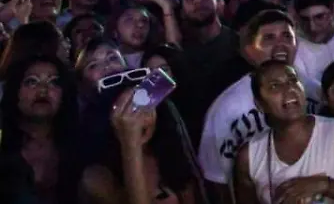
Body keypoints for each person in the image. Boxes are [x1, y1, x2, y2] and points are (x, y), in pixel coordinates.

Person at [197, 10, 321, 197]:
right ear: (249, 50)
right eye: (269, 38)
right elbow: (216, 180)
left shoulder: (315, 91)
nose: (281, 44)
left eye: (287, 36)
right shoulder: (227, 108)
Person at [232, 61, 334, 204]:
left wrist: (325, 186)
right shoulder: (249, 157)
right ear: (260, 104)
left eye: (293, 80)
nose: (289, 89)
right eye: (275, 86)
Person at [80, 84, 204, 204]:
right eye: (130, 111)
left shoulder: (167, 152)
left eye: (143, 108)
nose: (137, 119)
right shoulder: (96, 176)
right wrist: (130, 144)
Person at [0, 55, 80, 204]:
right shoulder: (2, 140)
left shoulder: (79, 145)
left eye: (53, 82)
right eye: (31, 82)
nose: (43, 90)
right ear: (15, 92)